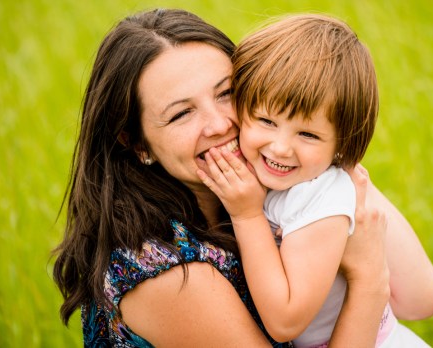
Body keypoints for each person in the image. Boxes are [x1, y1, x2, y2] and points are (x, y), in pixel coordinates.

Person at [52, 8, 393, 347]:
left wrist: (335, 171)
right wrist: (369, 281)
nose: (219, 124)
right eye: (182, 114)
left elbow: (426, 298)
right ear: (137, 143)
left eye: (227, 93)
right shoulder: (166, 271)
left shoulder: (272, 183)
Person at [197, 14, 433, 347]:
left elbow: (286, 320)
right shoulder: (270, 175)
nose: (281, 147)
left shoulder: (320, 196)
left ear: (341, 146)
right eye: (267, 120)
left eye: (308, 134)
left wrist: (248, 216)